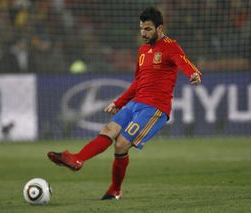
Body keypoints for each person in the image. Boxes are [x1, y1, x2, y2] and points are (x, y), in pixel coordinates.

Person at [47, 7, 202, 200]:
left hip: (155, 108)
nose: (143, 33)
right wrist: (119, 102)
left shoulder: (171, 46)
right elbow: (138, 82)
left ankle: (115, 189)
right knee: (109, 129)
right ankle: (77, 159)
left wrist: (194, 74)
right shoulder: (143, 50)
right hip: (135, 103)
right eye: (141, 29)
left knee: (121, 145)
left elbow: (184, 62)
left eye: (148, 29)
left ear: (159, 28)